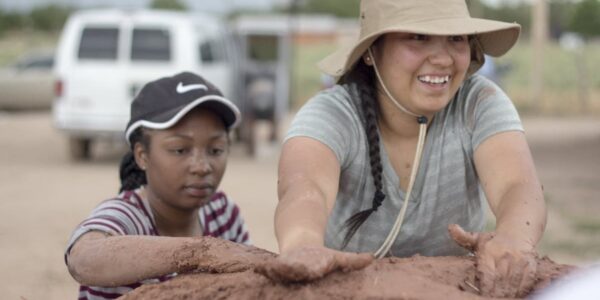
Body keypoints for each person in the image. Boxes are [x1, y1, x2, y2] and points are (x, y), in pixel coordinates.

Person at [261, 0, 547, 298]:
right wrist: (303, 244)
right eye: (418, 37)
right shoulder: (333, 113)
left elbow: (517, 185)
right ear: (371, 51)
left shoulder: (478, 102)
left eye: (456, 39)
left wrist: (514, 239)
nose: (442, 59)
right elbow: (305, 189)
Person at [64, 72, 252, 299]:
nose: (202, 167)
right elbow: (84, 259)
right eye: (180, 150)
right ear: (142, 156)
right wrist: (204, 252)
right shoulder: (126, 216)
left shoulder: (222, 212)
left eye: (216, 150)